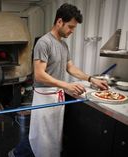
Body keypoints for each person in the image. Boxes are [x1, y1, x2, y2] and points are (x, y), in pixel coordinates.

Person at [27, 3, 108, 157]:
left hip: (57, 96)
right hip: (44, 98)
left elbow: (71, 68)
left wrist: (92, 79)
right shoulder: (44, 43)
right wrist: (66, 85)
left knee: (54, 136)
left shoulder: (63, 45)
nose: (72, 31)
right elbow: (39, 74)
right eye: (70, 27)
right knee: (42, 138)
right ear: (59, 22)